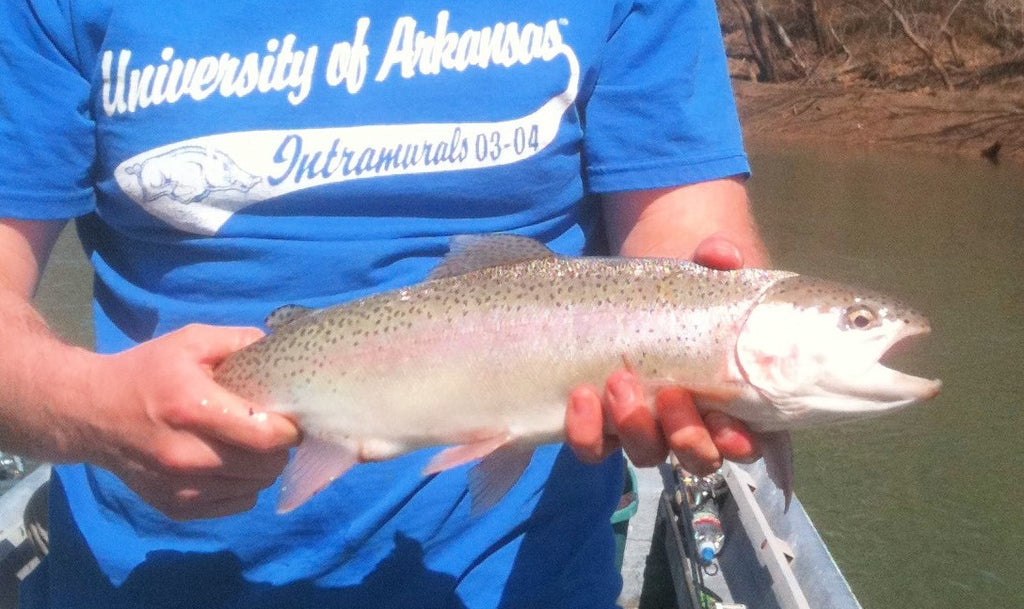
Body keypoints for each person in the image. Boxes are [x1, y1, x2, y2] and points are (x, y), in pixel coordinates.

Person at [0, 1, 766, 607]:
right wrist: (88, 407)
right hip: (144, 582)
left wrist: (732, 336)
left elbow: (688, 229)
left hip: (519, 586)